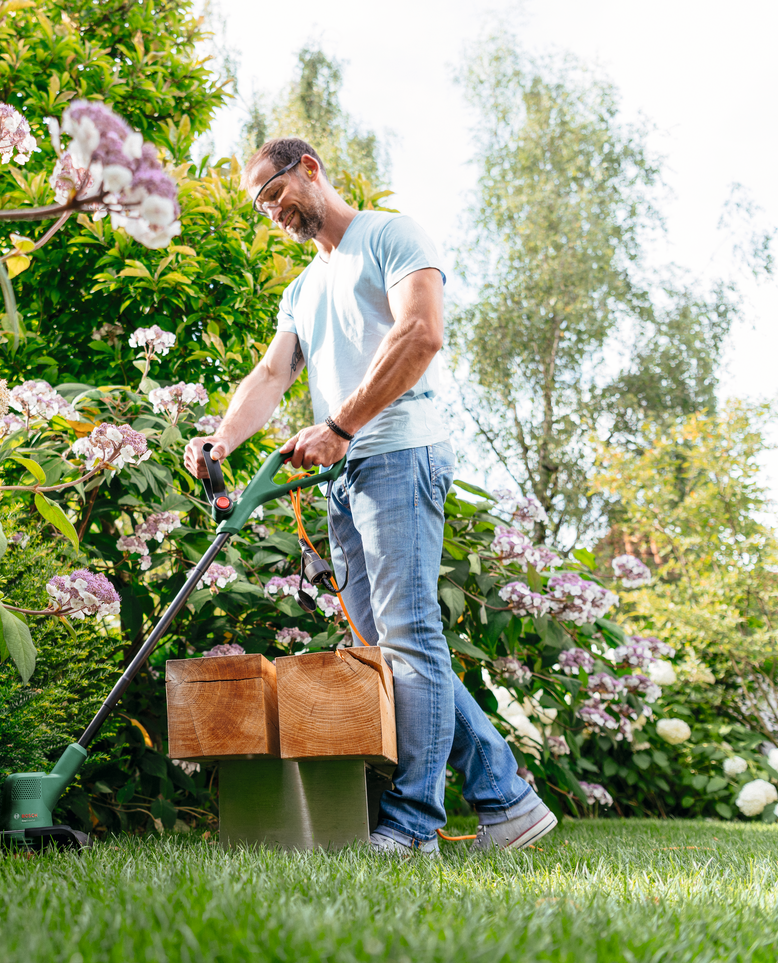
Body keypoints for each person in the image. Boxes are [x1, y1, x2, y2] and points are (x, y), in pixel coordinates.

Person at [185, 137, 556, 855]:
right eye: (261, 205)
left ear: (310, 169)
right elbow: (269, 375)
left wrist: (339, 425)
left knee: (411, 639)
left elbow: (421, 333)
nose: (272, 212)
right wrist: (221, 442)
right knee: (392, 647)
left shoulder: (392, 234)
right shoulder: (304, 288)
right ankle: (507, 799)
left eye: (275, 193)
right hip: (344, 472)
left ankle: (415, 823)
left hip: (398, 452)